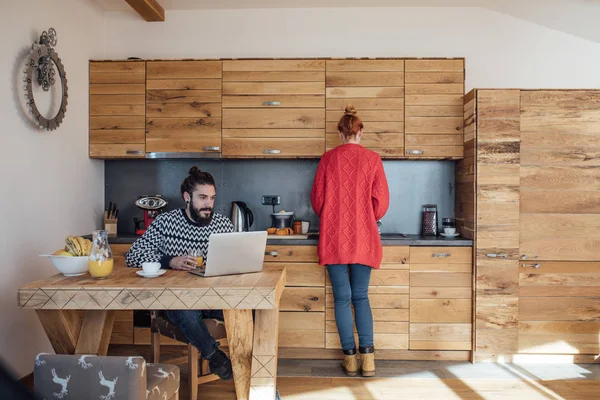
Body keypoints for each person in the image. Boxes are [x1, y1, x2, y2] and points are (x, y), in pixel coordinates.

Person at [125, 166, 234, 381]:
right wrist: (170, 261)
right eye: (202, 198)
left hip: (214, 298)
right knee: (187, 312)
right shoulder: (166, 222)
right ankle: (214, 356)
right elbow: (132, 255)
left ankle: (259, 379)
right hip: (176, 300)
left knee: (255, 308)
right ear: (187, 197)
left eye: (212, 198)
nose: (208, 204)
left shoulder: (223, 225)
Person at [310, 105, 390, 377]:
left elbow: (317, 201)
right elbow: (382, 203)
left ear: (340, 132)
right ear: (360, 131)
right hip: (364, 237)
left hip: (333, 237)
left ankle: (350, 359)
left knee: (342, 299)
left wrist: (334, 215)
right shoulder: (373, 159)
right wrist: (366, 215)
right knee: (361, 298)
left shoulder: (328, 159)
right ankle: (369, 360)